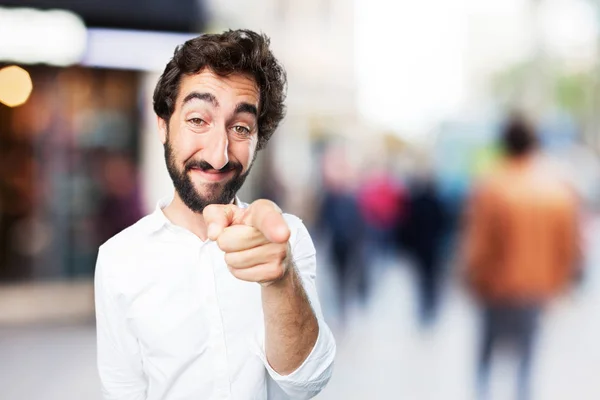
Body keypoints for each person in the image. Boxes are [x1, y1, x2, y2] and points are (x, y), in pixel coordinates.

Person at [94, 30, 336, 400]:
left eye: (241, 128)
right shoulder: (117, 259)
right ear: (163, 124)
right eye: (197, 120)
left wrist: (280, 277)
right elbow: (123, 391)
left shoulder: (287, 237)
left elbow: (307, 382)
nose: (219, 154)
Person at [463, 114, 580, 400]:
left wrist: (471, 278)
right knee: (527, 359)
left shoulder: (491, 186)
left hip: (495, 288)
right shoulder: (557, 189)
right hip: (536, 289)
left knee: (486, 355)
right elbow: (568, 247)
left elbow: (478, 243)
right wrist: (559, 285)